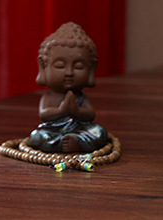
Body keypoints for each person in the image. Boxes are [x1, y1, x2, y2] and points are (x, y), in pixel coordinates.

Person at [28, 22, 108, 153]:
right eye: (60, 66)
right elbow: (44, 115)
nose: (69, 72)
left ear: (91, 69)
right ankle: (64, 143)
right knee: (37, 137)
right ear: (43, 67)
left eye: (78, 67)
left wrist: (76, 111)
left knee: (99, 132)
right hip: (53, 130)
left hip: (79, 129)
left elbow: (90, 115)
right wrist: (61, 111)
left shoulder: (81, 97)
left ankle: (74, 141)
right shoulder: (49, 96)